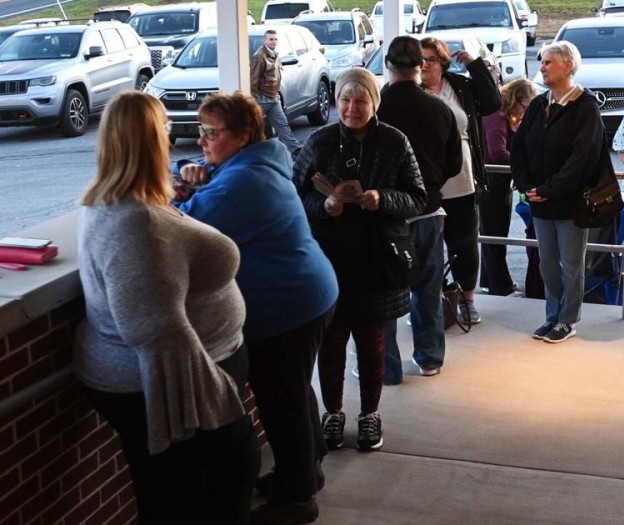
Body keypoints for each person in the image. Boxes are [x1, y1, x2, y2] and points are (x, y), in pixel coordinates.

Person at [74, 91, 259, 524]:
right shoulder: (135, 223)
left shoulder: (122, 202)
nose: (173, 137)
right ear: (151, 140)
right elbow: (154, 331)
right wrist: (216, 408)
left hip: (169, 379)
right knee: (216, 484)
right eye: (165, 129)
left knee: (172, 491)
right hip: (166, 389)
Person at [175, 91, 339, 524]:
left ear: (244, 135)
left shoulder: (244, 181)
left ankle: (298, 499)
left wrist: (183, 191)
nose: (203, 141)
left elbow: (183, 227)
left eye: (212, 134)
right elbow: (209, 180)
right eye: (201, 132)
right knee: (294, 390)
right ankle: (306, 470)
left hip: (288, 306)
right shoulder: (259, 163)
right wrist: (198, 171)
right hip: (307, 296)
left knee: (280, 401)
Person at [293, 68, 427, 454]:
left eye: (361, 100)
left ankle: (370, 414)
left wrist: (383, 199)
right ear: (336, 103)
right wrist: (324, 205)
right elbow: (295, 194)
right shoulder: (318, 142)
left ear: (374, 102)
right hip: (329, 260)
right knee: (330, 343)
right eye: (345, 101)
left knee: (372, 343)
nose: (352, 108)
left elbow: (418, 198)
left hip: (378, 259)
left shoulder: (394, 142)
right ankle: (333, 412)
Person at [377, 36, 463, 382]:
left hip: (385, 213)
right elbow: (454, 164)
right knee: (426, 287)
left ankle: (387, 367)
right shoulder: (439, 109)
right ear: (420, 66)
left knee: (383, 293)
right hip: (429, 210)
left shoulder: (376, 108)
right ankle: (430, 358)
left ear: (387, 64)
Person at [510, 41, 608, 343]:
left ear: (568, 65)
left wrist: (550, 189)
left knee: (571, 264)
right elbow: (520, 147)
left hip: (569, 202)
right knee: (547, 263)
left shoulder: (586, 107)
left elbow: (582, 158)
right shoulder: (540, 104)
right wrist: (527, 186)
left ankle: (567, 319)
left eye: (548, 62)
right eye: (541, 62)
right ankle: (551, 315)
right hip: (541, 200)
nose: (541, 67)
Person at [419, 36, 501, 324]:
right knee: (426, 247)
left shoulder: (460, 86)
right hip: (424, 185)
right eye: (419, 59)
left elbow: (493, 103)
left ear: (443, 62)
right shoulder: (408, 91)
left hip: (463, 181)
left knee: (464, 245)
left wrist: (476, 66)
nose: (423, 64)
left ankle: (467, 300)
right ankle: (431, 303)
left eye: (430, 59)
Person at [481, 78, 538, 296]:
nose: (526, 110)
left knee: (492, 234)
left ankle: (490, 280)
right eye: (525, 105)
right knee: (494, 235)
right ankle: (500, 285)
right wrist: (522, 165)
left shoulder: (504, 116)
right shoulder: (497, 116)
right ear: (514, 99)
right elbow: (497, 153)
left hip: (497, 181)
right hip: (492, 181)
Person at [250, 29, 304, 154]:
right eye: (270, 39)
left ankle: (296, 151)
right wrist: (255, 100)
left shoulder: (275, 55)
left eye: (275, 39)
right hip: (262, 99)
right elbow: (253, 80)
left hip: (274, 98)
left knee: (283, 125)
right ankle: (253, 154)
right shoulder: (259, 56)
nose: (273, 41)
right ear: (265, 40)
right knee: (254, 128)